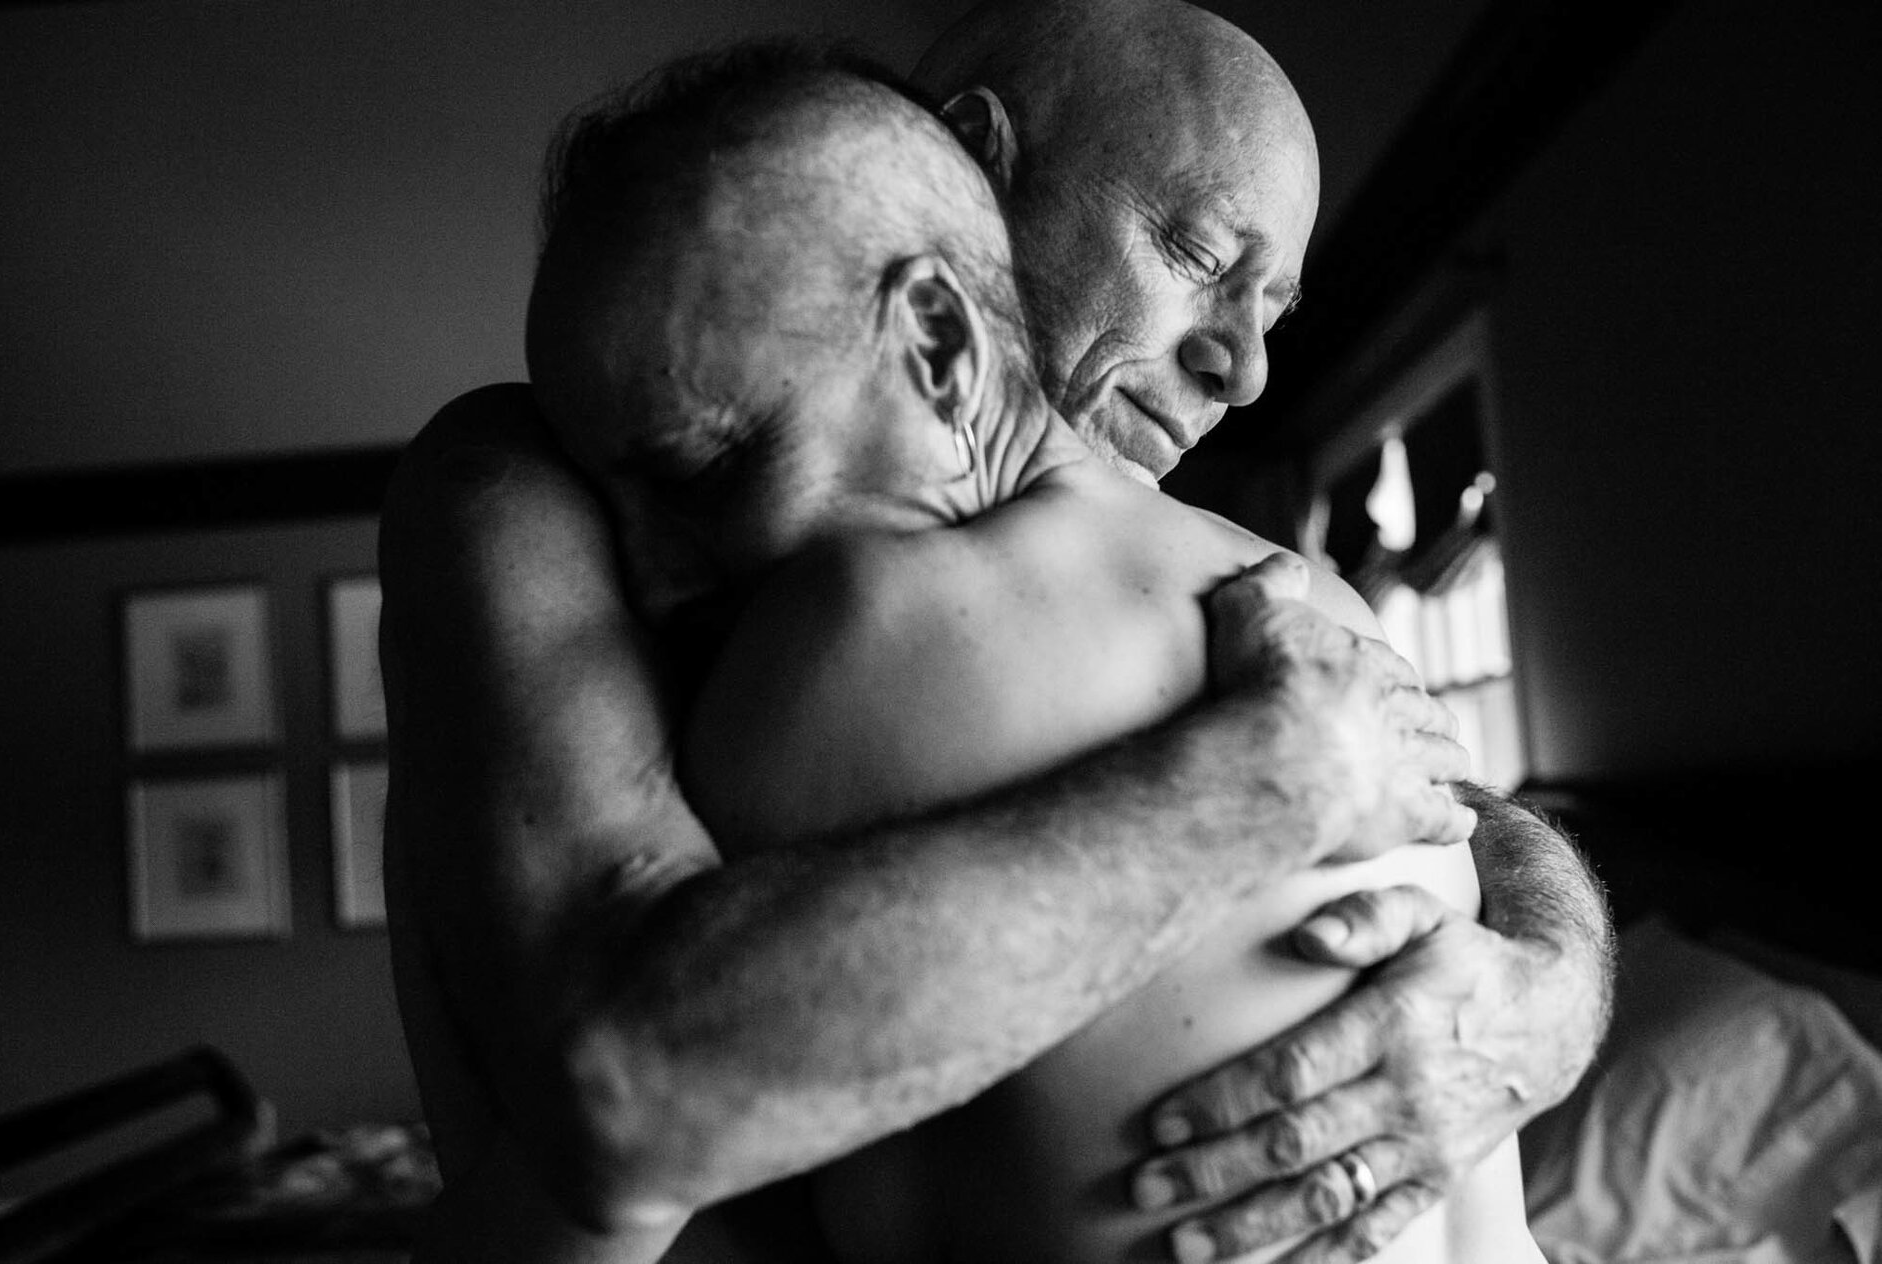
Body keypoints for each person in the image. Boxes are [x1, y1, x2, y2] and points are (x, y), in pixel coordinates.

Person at [378, 2, 1613, 1260]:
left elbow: (1455, 806)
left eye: (1273, 310)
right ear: (972, 179)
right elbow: (630, 1094)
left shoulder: (884, 626)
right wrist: (1266, 783)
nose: (1244, 369)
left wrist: (1554, 981)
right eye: (1195, 252)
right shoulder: (1283, 600)